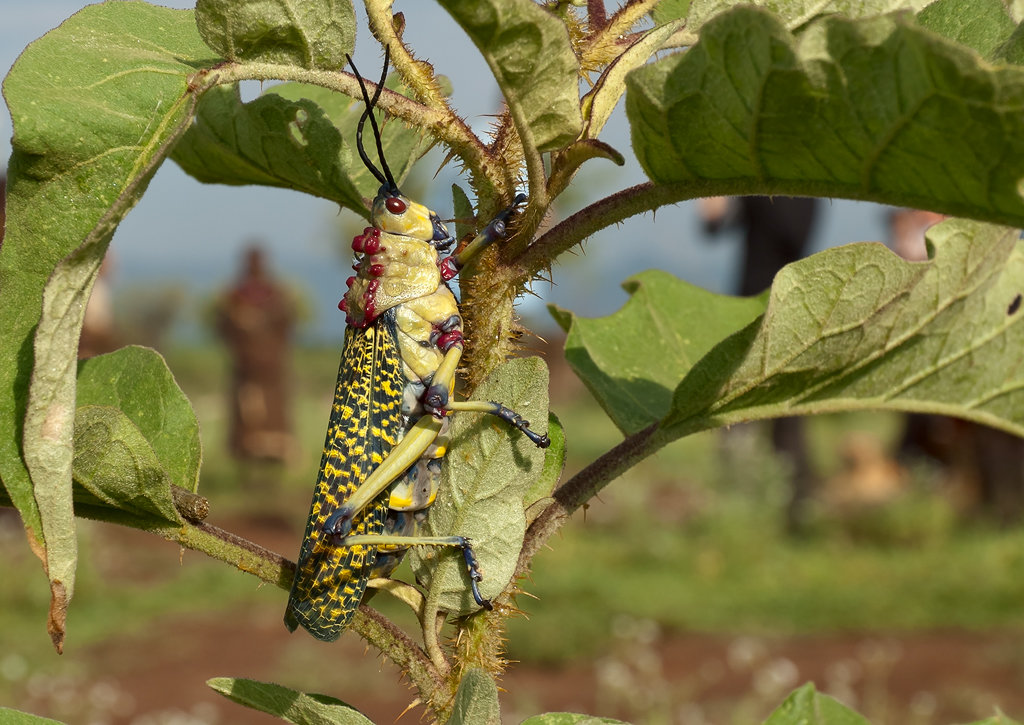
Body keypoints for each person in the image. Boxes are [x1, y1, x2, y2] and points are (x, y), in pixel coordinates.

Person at [700, 196, 821, 532]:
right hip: (747, 303)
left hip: (786, 307)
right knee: (737, 406)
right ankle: (741, 506)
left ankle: (796, 507)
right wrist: (715, 208)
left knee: (787, 413)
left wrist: (752, 198)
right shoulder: (755, 190)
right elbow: (714, 229)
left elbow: (793, 236)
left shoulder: (801, 194)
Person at [216, 245, 296, 463]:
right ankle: (248, 459)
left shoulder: (276, 293)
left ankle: (273, 460)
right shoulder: (235, 295)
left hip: (270, 368)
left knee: (272, 412)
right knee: (248, 414)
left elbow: (286, 324)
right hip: (247, 368)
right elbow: (224, 326)